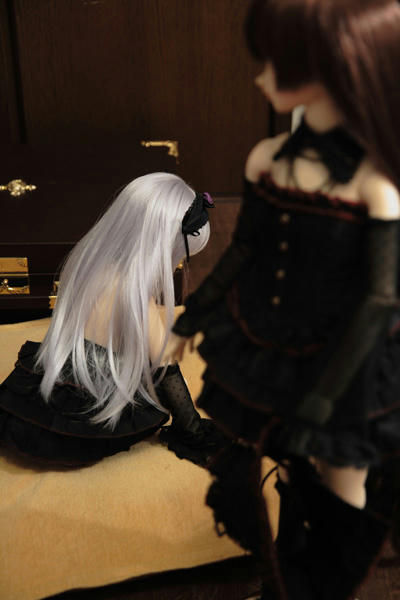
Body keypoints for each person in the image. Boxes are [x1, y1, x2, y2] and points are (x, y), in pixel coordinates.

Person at [165, 1, 400, 598]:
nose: (260, 76)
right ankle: (282, 576)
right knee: (272, 469)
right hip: (271, 338)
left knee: (342, 484)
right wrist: (191, 318)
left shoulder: (374, 183)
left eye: (276, 61)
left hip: (350, 358)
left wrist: (326, 393)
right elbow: (245, 250)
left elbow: (379, 299)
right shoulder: (266, 161)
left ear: (331, 70)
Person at [0, 172, 222, 468]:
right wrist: (193, 431)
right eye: (178, 257)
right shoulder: (138, 301)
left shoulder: (87, 264)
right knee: (150, 404)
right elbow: (167, 371)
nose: (177, 264)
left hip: (45, 386)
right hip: (79, 422)